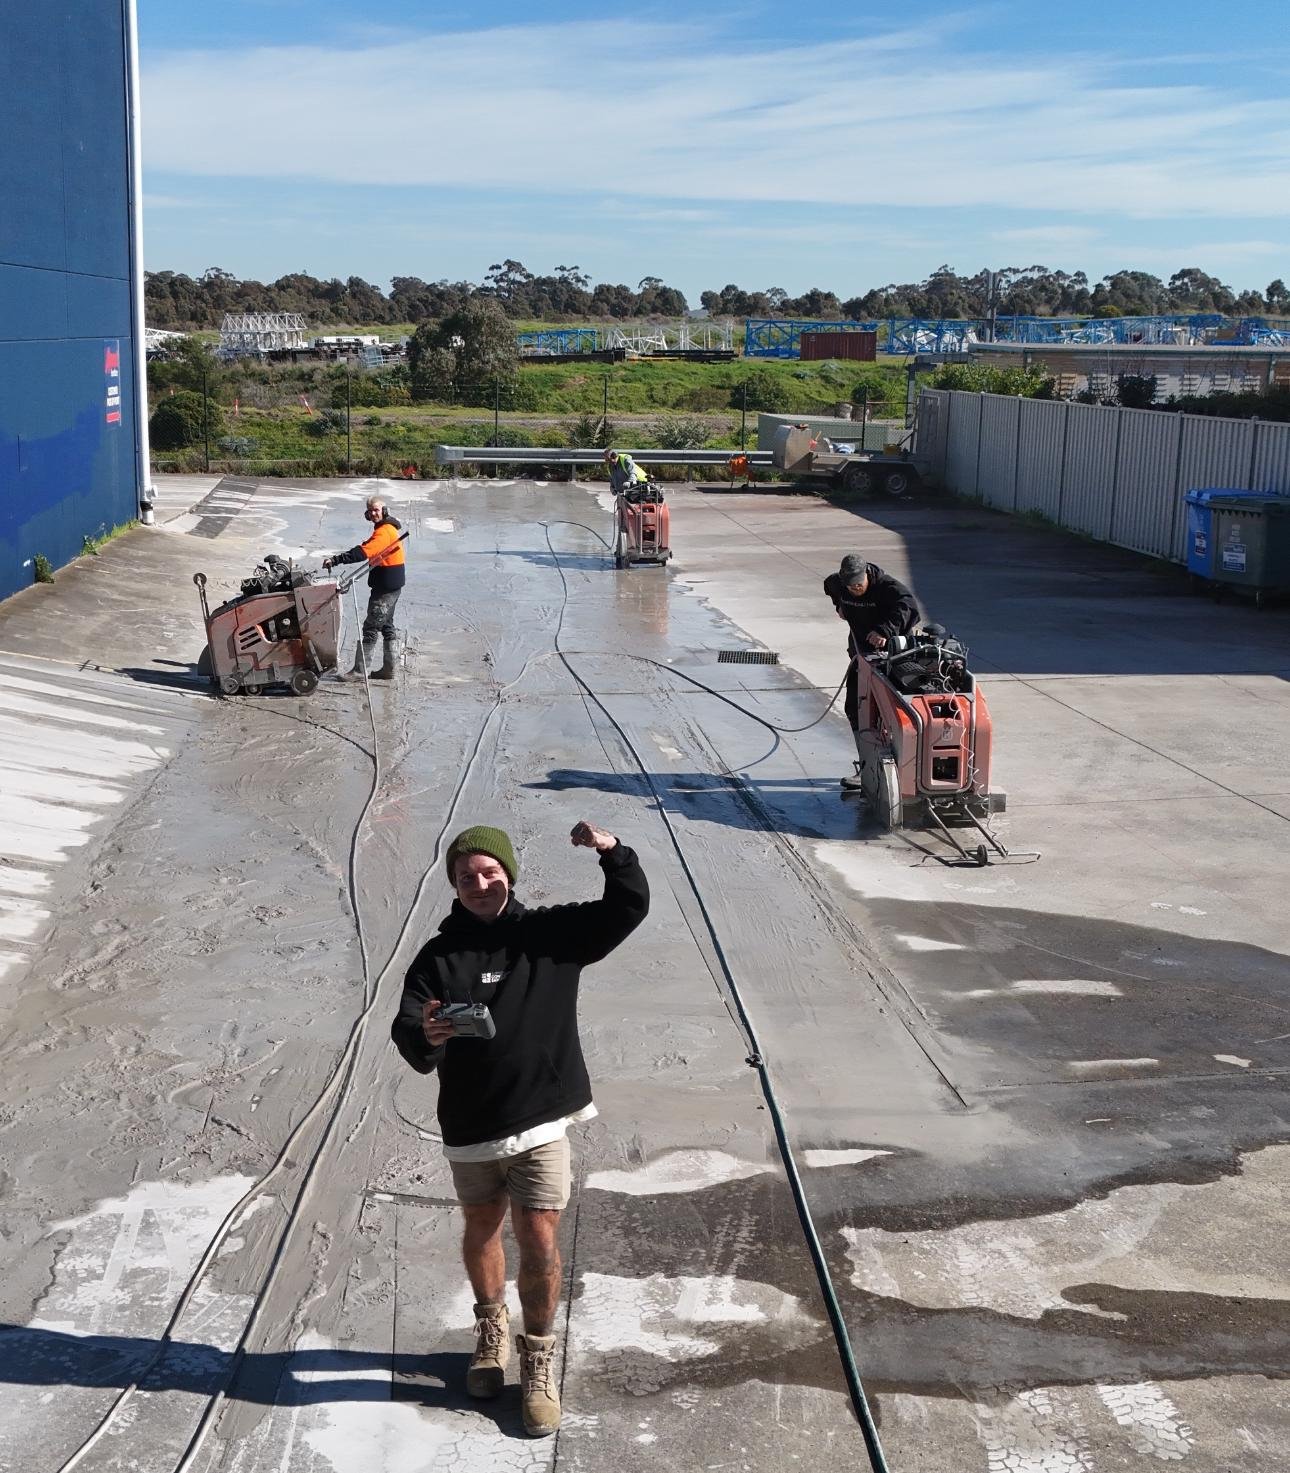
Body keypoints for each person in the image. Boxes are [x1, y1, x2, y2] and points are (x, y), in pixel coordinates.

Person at [390, 820, 649, 1436]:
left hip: (540, 1120)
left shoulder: (551, 935)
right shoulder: (436, 958)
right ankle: (489, 1333)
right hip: (472, 1123)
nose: (480, 884)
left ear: (508, 874)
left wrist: (612, 852)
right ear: (453, 885)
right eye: (466, 876)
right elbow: (406, 1029)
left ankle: (537, 1358)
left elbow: (628, 906)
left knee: (537, 1237)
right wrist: (424, 1035)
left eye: (489, 872)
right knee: (482, 1227)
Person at [823, 552, 920, 791]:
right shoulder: (839, 584)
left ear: (866, 575)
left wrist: (885, 631)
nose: (855, 589)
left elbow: (909, 607)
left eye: (859, 585)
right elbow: (830, 586)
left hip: (891, 657)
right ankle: (867, 767)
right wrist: (839, 605)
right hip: (860, 655)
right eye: (851, 587)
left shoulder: (887, 588)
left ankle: (900, 767)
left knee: (890, 712)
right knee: (855, 708)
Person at [322, 495, 406, 680]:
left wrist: (336, 560)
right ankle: (389, 669)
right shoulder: (386, 529)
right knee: (386, 625)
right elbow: (369, 549)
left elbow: (364, 551)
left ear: (384, 511)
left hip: (385, 587)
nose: (373, 513)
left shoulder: (385, 531)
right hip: (391, 585)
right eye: (370, 511)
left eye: (376, 510)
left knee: (371, 626)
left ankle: (360, 671)